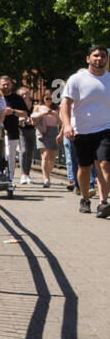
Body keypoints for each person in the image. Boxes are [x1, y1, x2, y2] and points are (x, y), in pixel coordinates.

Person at [60, 45, 110, 217]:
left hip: (105, 128)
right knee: (85, 167)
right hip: (82, 130)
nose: (99, 59)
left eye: (103, 56)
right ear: (88, 58)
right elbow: (65, 104)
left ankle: (103, 203)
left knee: (104, 163)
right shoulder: (77, 79)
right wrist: (67, 125)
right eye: (96, 56)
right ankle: (84, 198)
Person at [0, 76, 29, 179]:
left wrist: (13, 111)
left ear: (11, 85)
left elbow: (25, 114)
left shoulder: (17, 98)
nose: (6, 86)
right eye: (4, 84)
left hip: (12, 132)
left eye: (8, 84)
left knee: (10, 158)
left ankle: (9, 180)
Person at [30, 90, 60, 188]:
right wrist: (43, 114)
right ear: (43, 98)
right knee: (45, 155)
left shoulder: (57, 108)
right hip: (42, 131)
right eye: (47, 98)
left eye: (51, 98)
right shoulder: (38, 107)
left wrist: (55, 114)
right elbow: (33, 122)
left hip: (54, 131)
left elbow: (61, 123)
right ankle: (46, 179)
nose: (49, 100)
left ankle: (48, 174)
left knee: (52, 158)